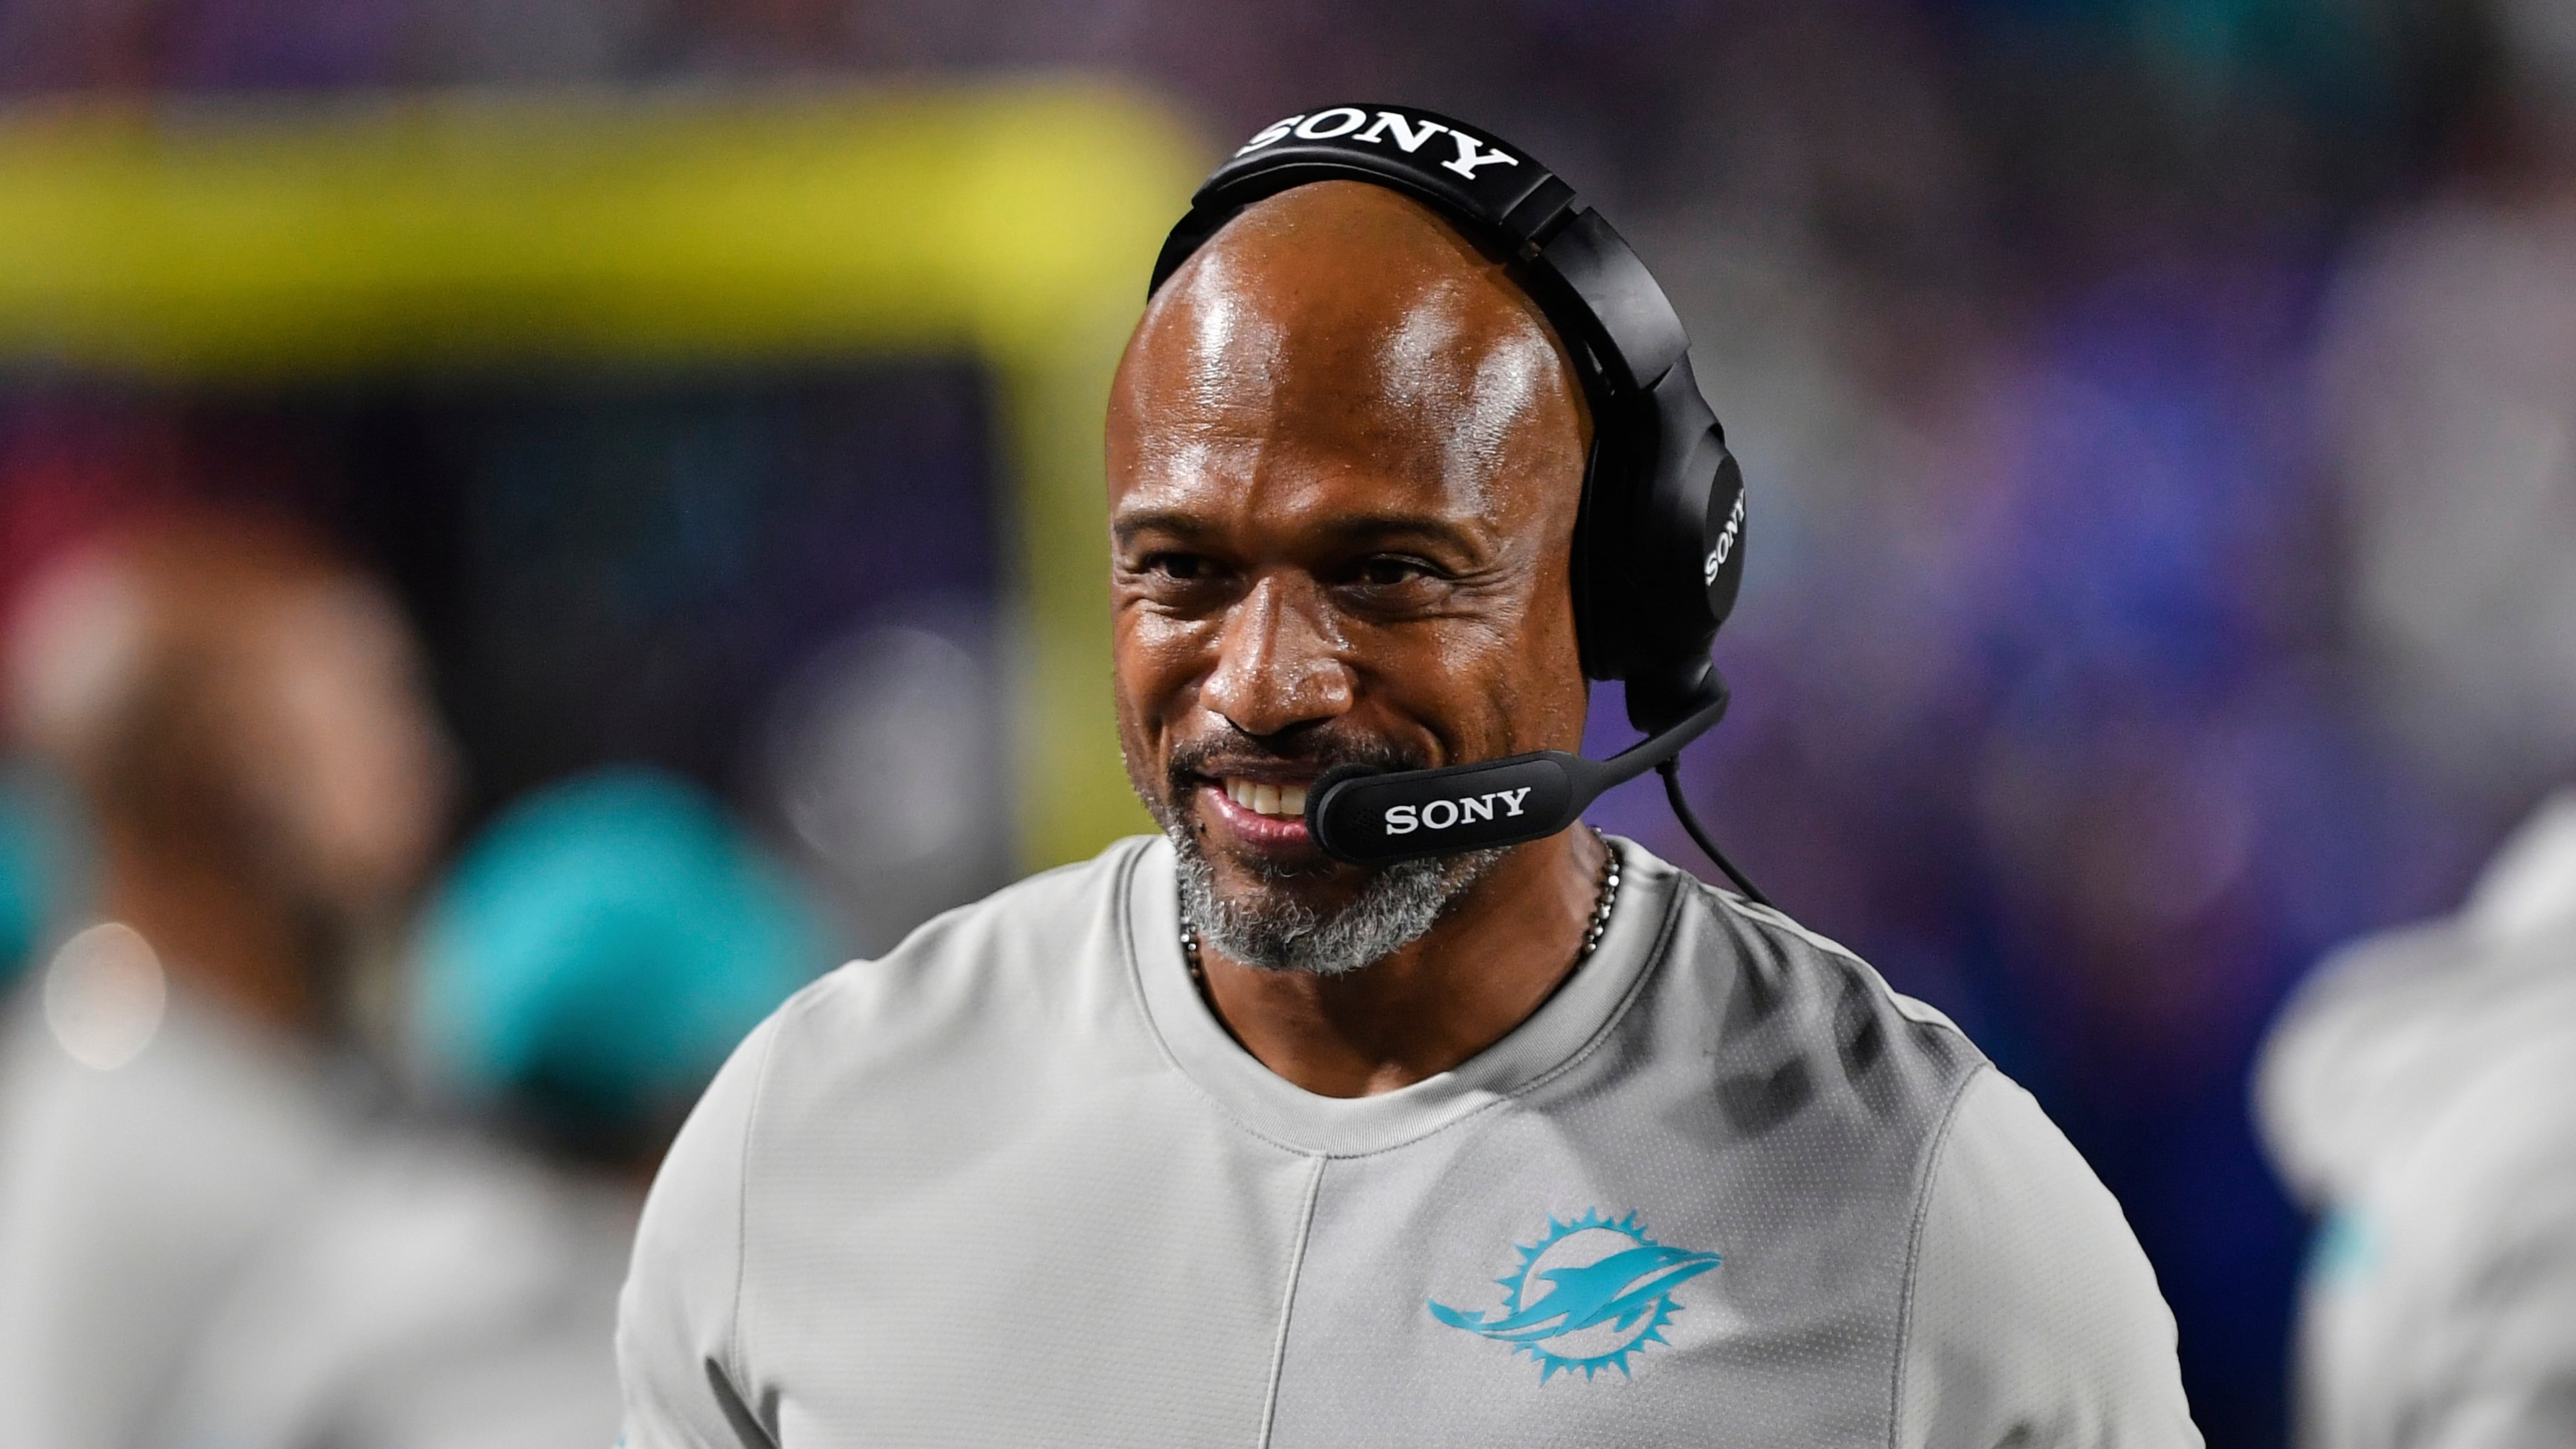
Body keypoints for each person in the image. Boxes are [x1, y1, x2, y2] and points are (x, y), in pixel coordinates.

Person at [617, 107, 2198, 1446]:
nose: (1261, 682)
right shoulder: (817, 1131)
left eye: (1384, 574)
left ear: (1621, 595)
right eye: (1181, 572)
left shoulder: (1930, 1208)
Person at [0, 513, 456, 1449]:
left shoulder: (223, 1050)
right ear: (225, 778)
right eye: (369, 708)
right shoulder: (130, 1122)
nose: (425, 763)